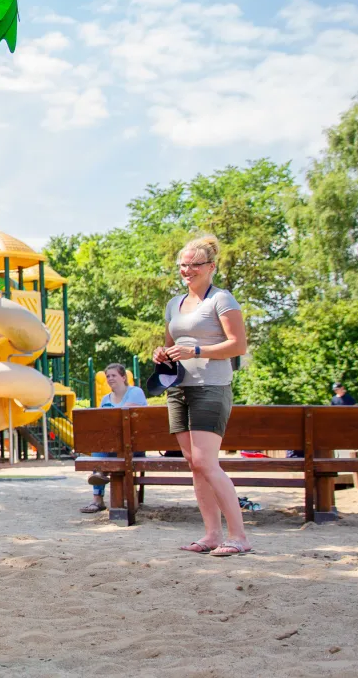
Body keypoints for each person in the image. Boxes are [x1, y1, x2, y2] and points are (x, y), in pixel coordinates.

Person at [153, 235, 251, 557]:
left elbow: (238, 345)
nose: (187, 270)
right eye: (183, 264)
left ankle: (238, 537)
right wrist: (161, 354)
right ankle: (211, 534)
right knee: (194, 464)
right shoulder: (174, 304)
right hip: (179, 389)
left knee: (208, 463)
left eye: (194, 264)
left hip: (212, 387)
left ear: (211, 266)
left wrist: (198, 349)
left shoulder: (222, 300)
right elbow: (170, 344)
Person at [81, 363, 146, 513]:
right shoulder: (105, 399)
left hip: (133, 447)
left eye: (113, 375)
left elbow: (121, 417)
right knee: (100, 444)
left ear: (123, 377)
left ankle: (99, 476)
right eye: (107, 376)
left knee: (102, 449)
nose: (110, 378)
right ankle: (98, 494)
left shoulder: (135, 392)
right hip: (112, 447)